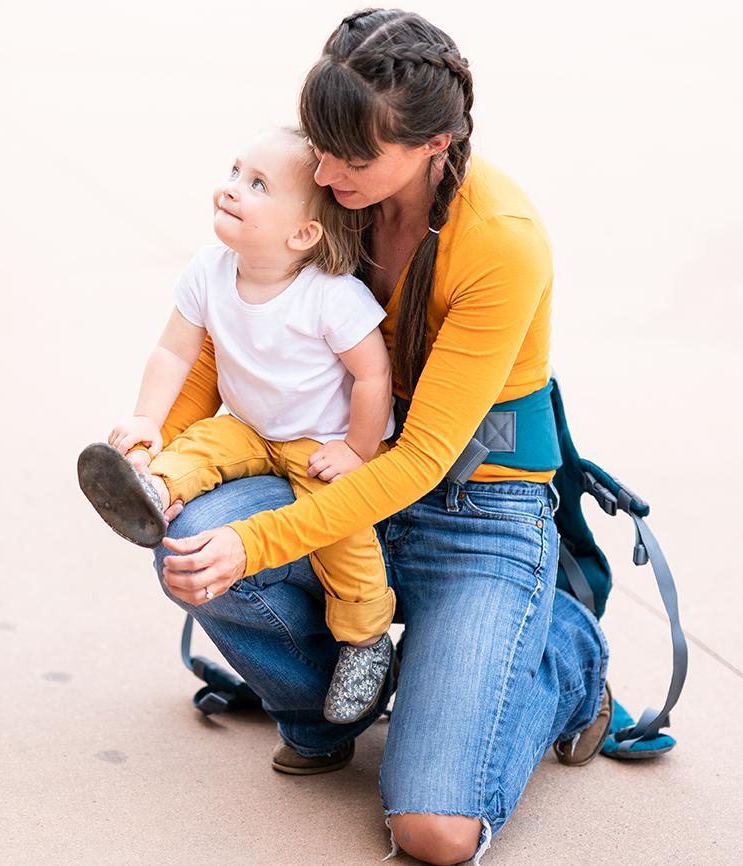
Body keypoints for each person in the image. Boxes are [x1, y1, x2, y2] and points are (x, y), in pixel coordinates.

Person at [149, 9, 611, 865]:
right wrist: (159, 448)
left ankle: (565, 654)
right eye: (319, 145)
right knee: (185, 538)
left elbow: (424, 459)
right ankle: (330, 704)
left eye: (350, 159)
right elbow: (224, 328)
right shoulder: (332, 185)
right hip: (330, 470)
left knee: (435, 833)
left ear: (435, 143)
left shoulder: (499, 242)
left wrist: (255, 543)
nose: (323, 172)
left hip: (476, 507)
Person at [78, 125, 399, 726]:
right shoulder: (208, 270)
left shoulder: (330, 296)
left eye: (257, 185)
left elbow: (373, 376)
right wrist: (148, 420)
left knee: (345, 538)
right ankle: (150, 490)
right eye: (233, 172)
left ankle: (365, 640)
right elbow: (173, 352)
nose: (231, 189)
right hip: (248, 426)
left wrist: (357, 449)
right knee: (197, 447)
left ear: (304, 233)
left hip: (317, 441)